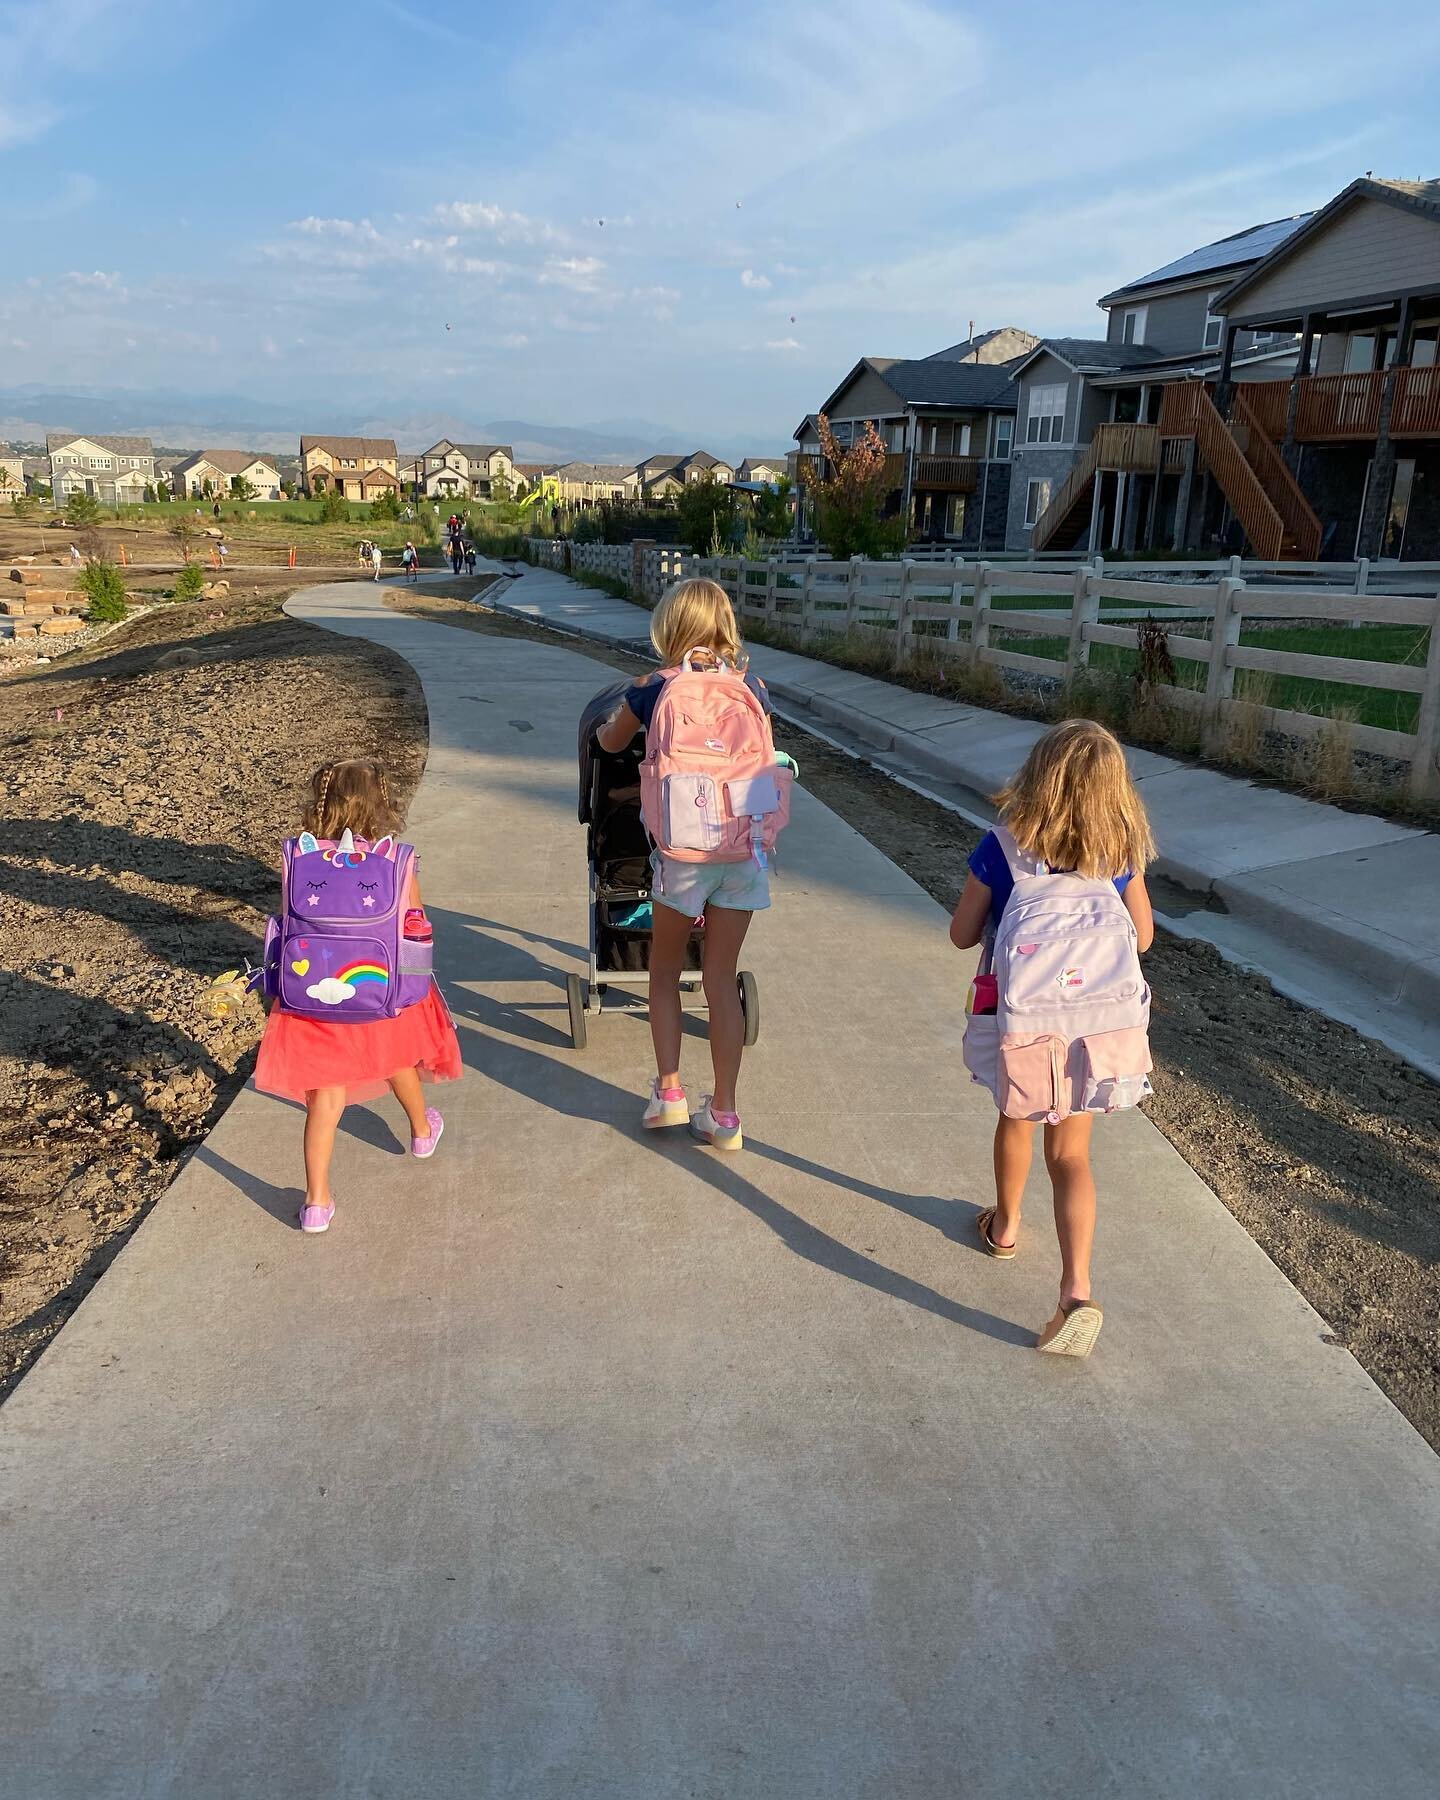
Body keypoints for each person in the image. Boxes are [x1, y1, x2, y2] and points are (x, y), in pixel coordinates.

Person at [948, 719, 1155, 1357]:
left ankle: (1005, 1226)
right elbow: (1142, 939)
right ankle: (1075, 1290)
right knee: (1071, 1157)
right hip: (1096, 1029)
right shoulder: (1119, 857)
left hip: (1027, 1024)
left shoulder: (1003, 847)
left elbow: (961, 934)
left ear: (1037, 779)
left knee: (1016, 1119)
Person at [595, 578, 775, 1151]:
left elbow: (608, 741)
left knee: (665, 973)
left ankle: (669, 1092)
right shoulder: (754, 689)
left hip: (683, 854)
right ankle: (724, 1115)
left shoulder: (653, 688)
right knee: (720, 979)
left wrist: (611, 729)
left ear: (669, 629)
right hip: (743, 852)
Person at [253, 757, 462, 1234]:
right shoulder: (394, 860)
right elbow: (415, 922)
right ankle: (422, 1132)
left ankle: (316, 1203)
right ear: (379, 806)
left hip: (312, 999)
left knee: (325, 1097)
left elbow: (288, 922)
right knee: (396, 1058)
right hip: (376, 988)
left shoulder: (299, 859)